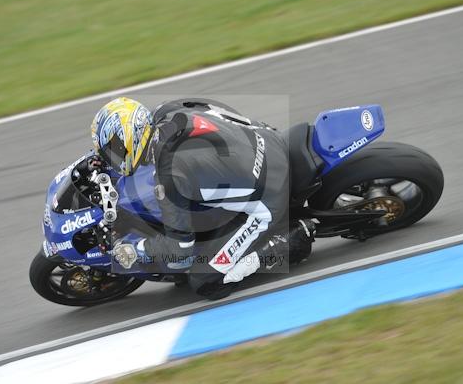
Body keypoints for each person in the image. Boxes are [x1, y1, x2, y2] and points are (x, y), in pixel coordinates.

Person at [90, 97, 315, 299]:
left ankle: (287, 243)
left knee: (204, 280)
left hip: (270, 195)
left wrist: (135, 249)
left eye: (114, 150)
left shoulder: (170, 179)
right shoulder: (166, 111)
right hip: (267, 137)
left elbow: (180, 251)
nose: (113, 157)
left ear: (132, 138)